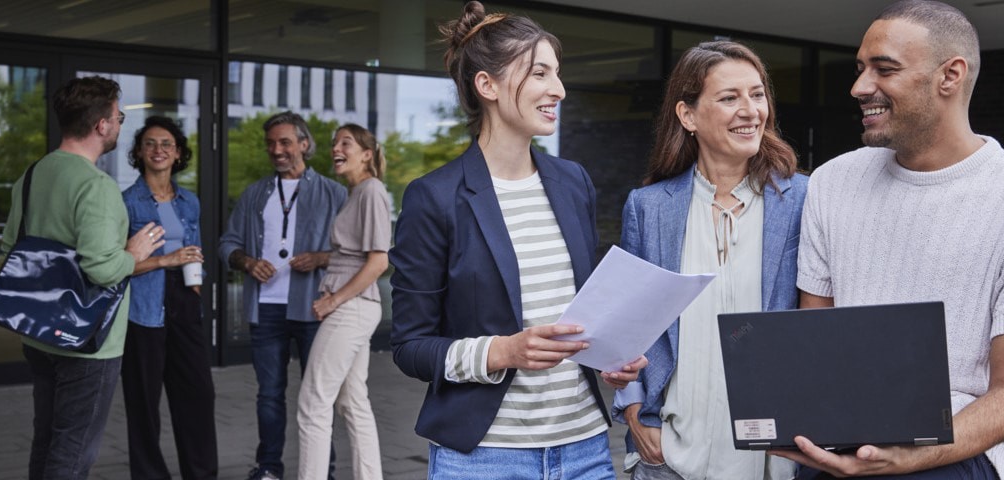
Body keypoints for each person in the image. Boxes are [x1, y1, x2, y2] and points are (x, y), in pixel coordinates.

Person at [778, 1, 1004, 479]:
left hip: (954, 449)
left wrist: (908, 456)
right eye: (860, 69)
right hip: (842, 434)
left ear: (950, 75)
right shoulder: (832, 182)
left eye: (885, 69)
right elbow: (817, 340)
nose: (859, 87)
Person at [389, 2, 646, 478]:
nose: (559, 89)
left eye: (558, 73)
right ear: (487, 85)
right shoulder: (435, 198)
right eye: (540, 74)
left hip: (586, 448)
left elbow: (579, 312)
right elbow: (409, 346)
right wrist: (503, 352)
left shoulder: (574, 182)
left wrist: (613, 354)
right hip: (483, 457)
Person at [610, 40, 807, 480]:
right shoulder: (648, 207)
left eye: (757, 95)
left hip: (774, 460)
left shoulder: (804, 201)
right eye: (729, 97)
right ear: (688, 115)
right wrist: (635, 413)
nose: (750, 110)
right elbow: (629, 323)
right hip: (671, 457)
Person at [1, 75, 163, 480]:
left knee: (47, 440)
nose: (120, 125)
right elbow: (101, 269)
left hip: (37, 331)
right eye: (118, 117)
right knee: (73, 452)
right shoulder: (97, 187)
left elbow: (8, 250)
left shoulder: (31, 175)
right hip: (89, 343)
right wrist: (134, 254)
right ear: (101, 125)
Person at [219, 111, 347, 480]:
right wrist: (245, 262)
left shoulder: (333, 193)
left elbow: (357, 253)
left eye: (285, 142)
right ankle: (269, 468)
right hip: (267, 309)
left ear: (304, 144)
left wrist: (322, 258)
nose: (277, 150)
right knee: (269, 395)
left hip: (313, 308)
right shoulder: (255, 193)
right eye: (271, 143)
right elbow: (227, 243)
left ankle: (324, 470)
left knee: (319, 398)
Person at [119, 116, 217, 480]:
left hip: (185, 301)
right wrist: (165, 260)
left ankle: (202, 473)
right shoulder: (126, 203)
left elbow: (194, 248)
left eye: (166, 144)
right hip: (144, 306)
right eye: (150, 144)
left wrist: (197, 277)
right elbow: (119, 264)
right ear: (140, 152)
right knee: (144, 401)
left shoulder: (189, 201)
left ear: (177, 153)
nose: (158, 150)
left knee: (198, 393)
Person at [297, 123, 392, 480]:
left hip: (350, 309)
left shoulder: (371, 191)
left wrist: (333, 300)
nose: (336, 148)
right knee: (353, 403)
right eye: (335, 143)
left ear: (367, 154)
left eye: (346, 143)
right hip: (354, 307)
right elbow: (352, 254)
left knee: (312, 405)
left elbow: (379, 261)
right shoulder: (356, 193)